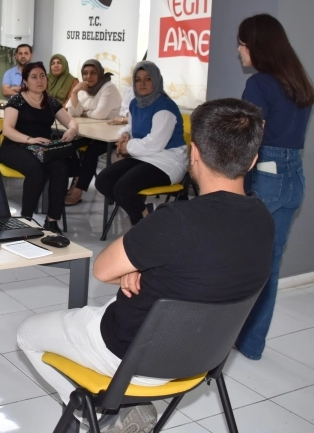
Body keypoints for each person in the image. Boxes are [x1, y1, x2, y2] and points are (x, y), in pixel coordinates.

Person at [18, 98, 274, 433]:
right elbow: (201, 266)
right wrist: (140, 266)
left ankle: (98, 415)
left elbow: (103, 269)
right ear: (253, 159)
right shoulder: (264, 220)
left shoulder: (175, 221)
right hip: (203, 357)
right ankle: (126, 408)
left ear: (194, 153)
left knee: (27, 334)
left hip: (131, 356)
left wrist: (135, 264)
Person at [234, 14, 314, 361]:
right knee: (270, 266)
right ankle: (251, 344)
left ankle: (221, 338)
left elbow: (249, 139)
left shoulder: (259, 84)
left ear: (256, 46)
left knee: (242, 263)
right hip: (294, 177)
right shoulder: (299, 82)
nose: (239, 51)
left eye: (241, 44)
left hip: (265, 176)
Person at [95, 61, 188, 227]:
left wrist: (128, 147)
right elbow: (132, 126)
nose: (142, 83)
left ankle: (142, 225)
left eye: (147, 79)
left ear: (156, 80)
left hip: (167, 161)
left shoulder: (165, 107)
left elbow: (155, 143)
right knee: (103, 181)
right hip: (144, 156)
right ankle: (145, 214)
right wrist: (125, 134)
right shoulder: (135, 103)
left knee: (123, 188)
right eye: (138, 80)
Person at [0, 62, 78, 232]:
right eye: (34, 77)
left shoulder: (50, 101)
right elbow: (7, 130)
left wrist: (72, 130)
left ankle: (52, 221)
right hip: (15, 146)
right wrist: (30, 139)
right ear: (25, 81)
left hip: (41, 148)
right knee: (36, 170)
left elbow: (71, 121)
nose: (39, 80)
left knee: (60, 168)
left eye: (42, 76)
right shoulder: (16, 100)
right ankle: (26, 220)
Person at [65, 59, 123, 206]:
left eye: (93, 73)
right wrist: (75, 92)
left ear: (100, 74)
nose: (88, 77)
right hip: (91, 133)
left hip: (110, 136)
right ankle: (76, 179)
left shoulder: (108, 88)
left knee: (90, 153)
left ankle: (78, 190)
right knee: (67, 144)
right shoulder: (84, 89)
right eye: (85, 73)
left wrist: (85, 112)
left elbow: (100, 115)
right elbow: (73, 112)